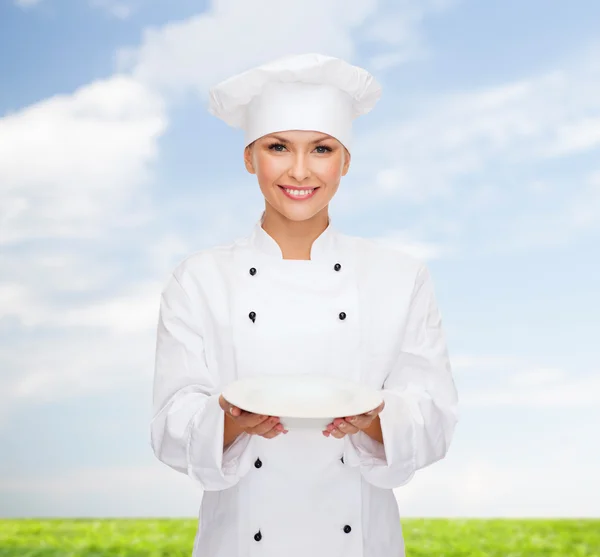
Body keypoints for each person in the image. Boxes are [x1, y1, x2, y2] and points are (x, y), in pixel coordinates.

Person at [151, 52, 459, 557]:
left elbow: (435, 418)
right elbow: (169, 425)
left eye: (320, 149)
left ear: (346, 161)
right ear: (250, 157)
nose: (299, 170)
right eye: (278, 147)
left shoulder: (400, 277)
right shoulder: (198, 279)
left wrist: (375, 419)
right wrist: (231, 420)